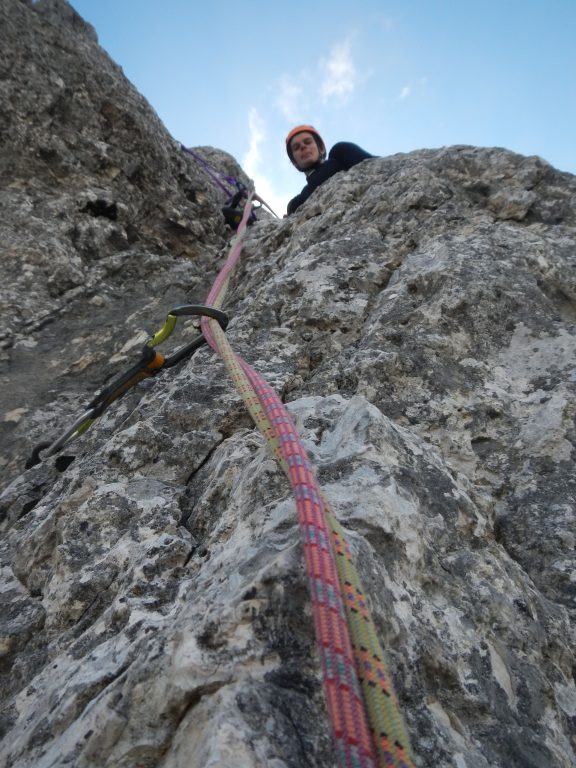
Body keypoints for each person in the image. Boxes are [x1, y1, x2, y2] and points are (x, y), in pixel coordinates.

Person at [285, 125, 374, 215]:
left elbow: (375, 167)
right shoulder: (301, 199)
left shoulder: (340, 154)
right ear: (294, 163)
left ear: (321, 149)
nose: (303, 146)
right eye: (296, 147)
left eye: (308, 142)